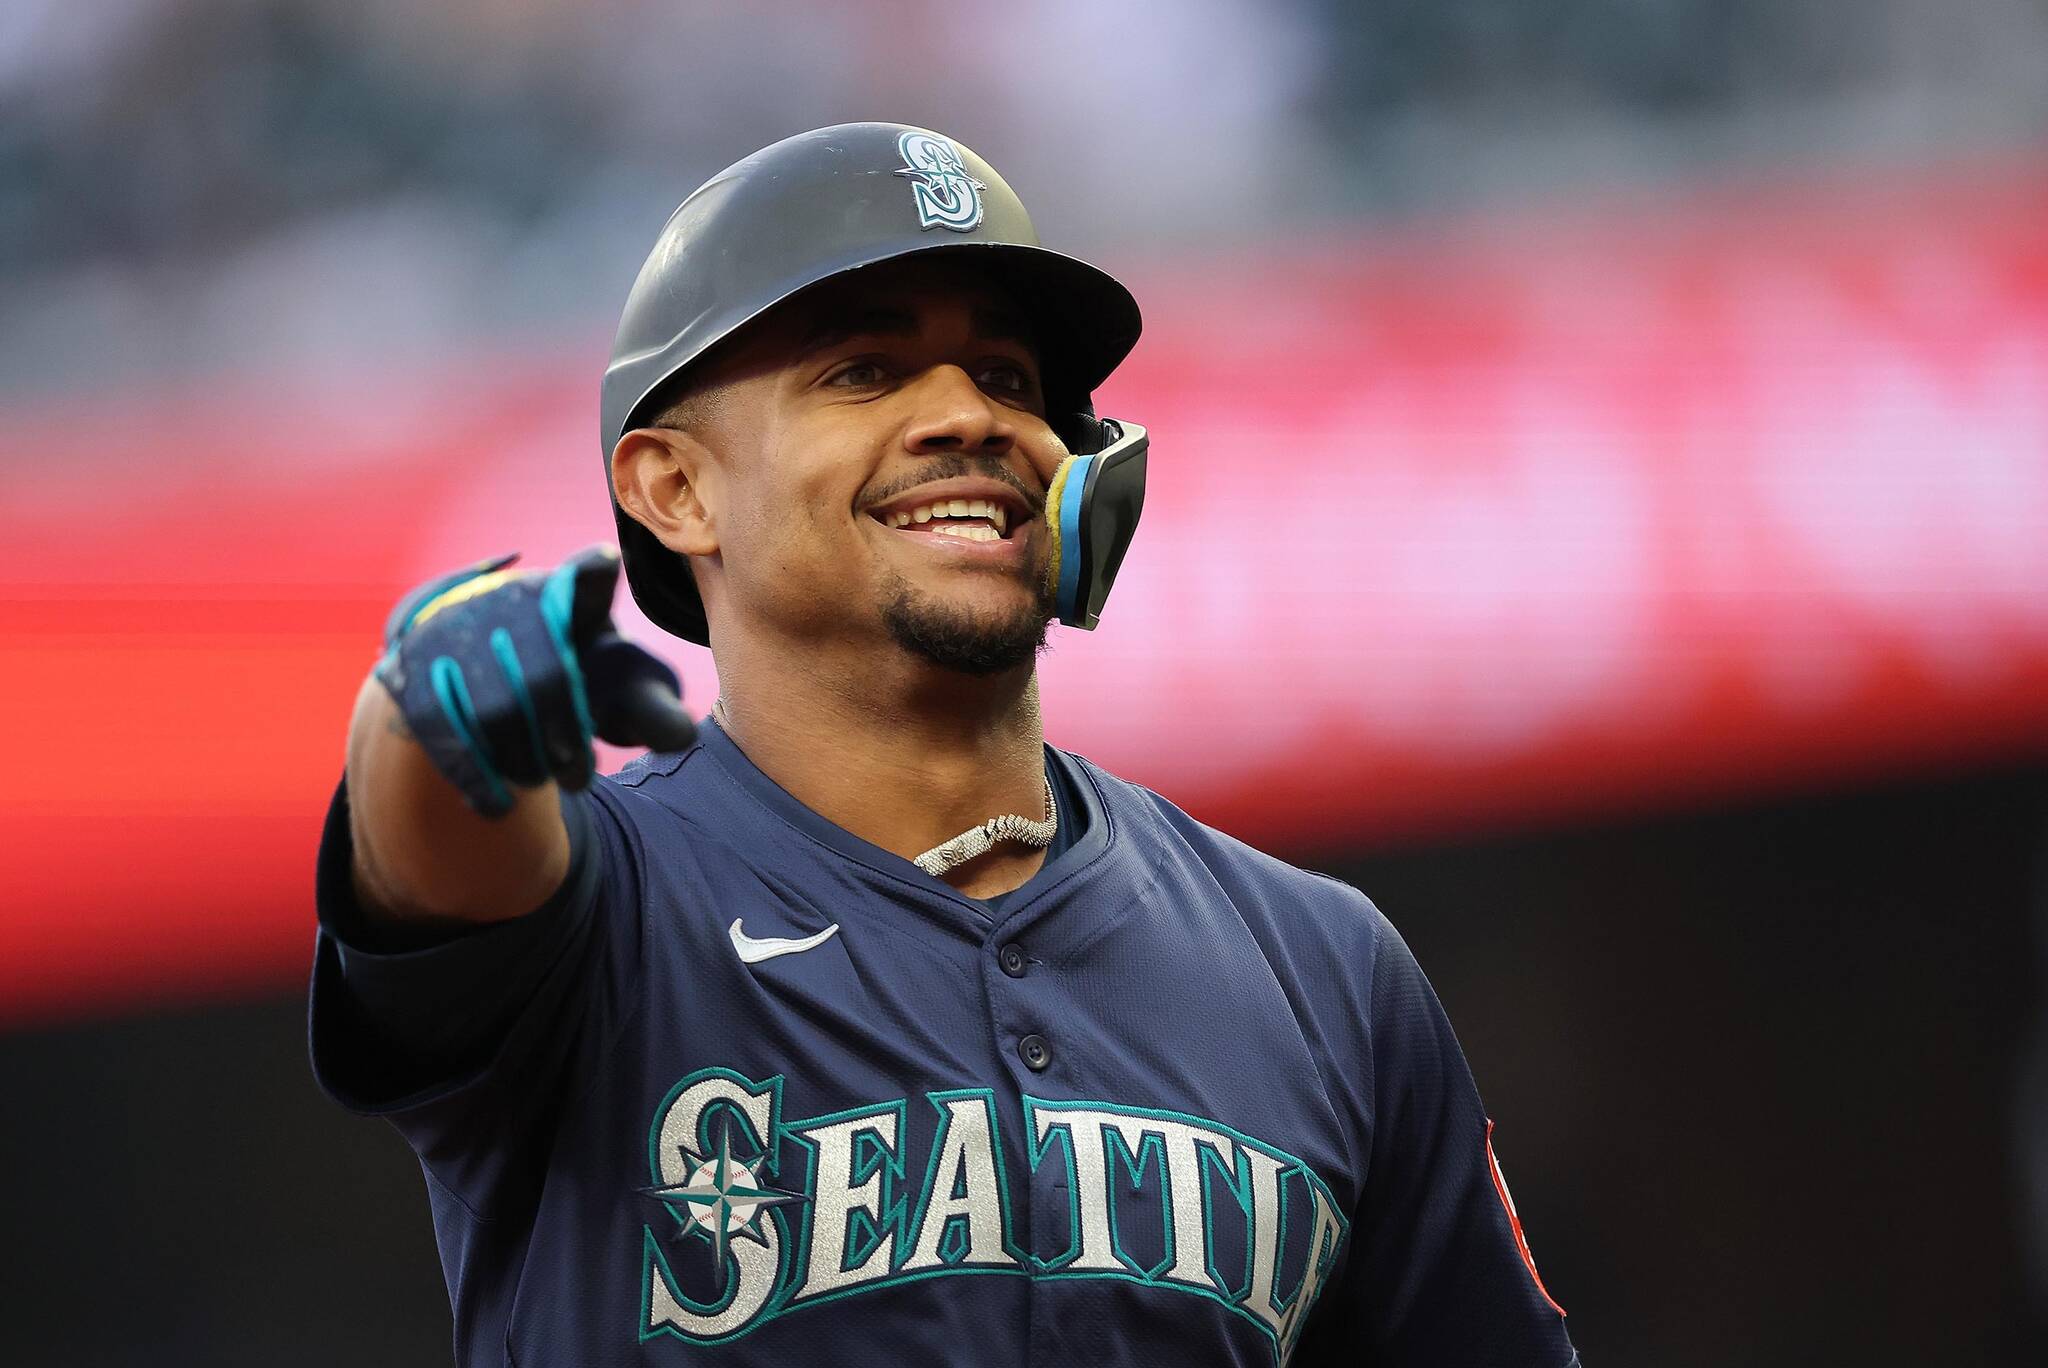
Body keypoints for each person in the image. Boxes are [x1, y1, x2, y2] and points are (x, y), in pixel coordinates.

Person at [310, 122, 1580, 1367]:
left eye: (1009, 379)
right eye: (863, 371)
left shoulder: (1321, 967)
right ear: (676, 490)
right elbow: (436, 854)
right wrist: (415, 717)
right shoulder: (605, 911)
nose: (967, 417)